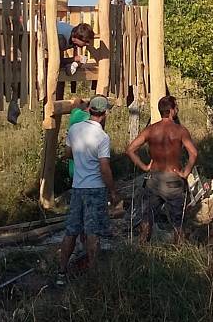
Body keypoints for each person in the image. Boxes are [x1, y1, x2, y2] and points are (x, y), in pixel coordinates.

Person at [58, 95, 120, 279]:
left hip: (77, 187)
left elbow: (68, 153)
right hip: (95, 189)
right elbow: (104, 168)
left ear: (89, 109)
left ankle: (61, 270)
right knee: (93, 232)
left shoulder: (75, 129)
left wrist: (81, 158)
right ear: (104, 113)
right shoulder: (102, 137)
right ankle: (93, 273)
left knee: (71, 231)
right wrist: (113, 191)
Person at [126, 96, 198, 243]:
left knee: (147, 220)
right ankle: (180, 253)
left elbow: (130, 149)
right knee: (178, 224)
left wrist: (144, 167)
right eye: (176, 107)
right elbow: (194, 153)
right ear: (171, 111)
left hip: (154, 179)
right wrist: (185, 172)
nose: (177, 109)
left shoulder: (151, 130)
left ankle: (142, 250)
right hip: (173, 179)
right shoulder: (180, 131)